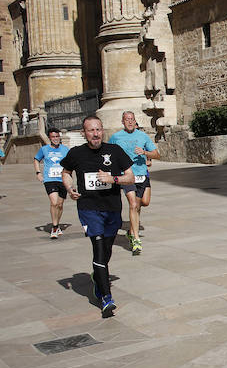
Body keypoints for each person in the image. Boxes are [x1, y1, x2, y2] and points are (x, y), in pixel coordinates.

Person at [60, 116, 135, 318]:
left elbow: (131, 176)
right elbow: (65, 172)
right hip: (89, 208)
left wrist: (113, 178)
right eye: (91, 130)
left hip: (112, 209)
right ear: (84, 133)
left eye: (99, 130)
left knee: (107, 250)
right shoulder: (76, 153)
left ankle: (98, 276)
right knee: (99, 248)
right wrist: (69, 188)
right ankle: (106, 297)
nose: (96, 134)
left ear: (103, 131)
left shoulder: (115, 151)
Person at [109, 110, 160, 255]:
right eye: (127, 119)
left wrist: (145, 153)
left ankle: (132, 229)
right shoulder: (115, 137)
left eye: (132, 119)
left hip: (142, 175)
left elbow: (157, 154)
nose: (130, 122)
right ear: (122, 122)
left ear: (135, 121)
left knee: (144, 202)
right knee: (133, 204)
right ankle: (135, 238)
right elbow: (108, 155)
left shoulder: (143, 136)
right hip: (127, 176)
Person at [33, 128, 70, 238]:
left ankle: (57, 224)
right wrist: (38, 173)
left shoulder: (65, 149)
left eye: (57, 136)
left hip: (62, 179)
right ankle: (54, 227)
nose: (55, 139)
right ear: (49, 138)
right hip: (50, 179)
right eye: (53, 137)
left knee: (60, 204)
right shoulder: (44, 149)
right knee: (54, 203)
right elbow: (36, 159)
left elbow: (70, 162)